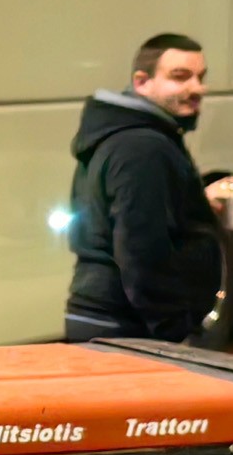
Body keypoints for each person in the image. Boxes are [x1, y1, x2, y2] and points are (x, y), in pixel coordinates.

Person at [64, 33, 222, 345]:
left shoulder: (128, 137)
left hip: (110, 315)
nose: (197, 88)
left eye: (200, 77)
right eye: (180, 77)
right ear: (142, 82)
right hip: (126, 324)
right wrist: (173, 329)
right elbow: (140, 246)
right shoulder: (143, 146)